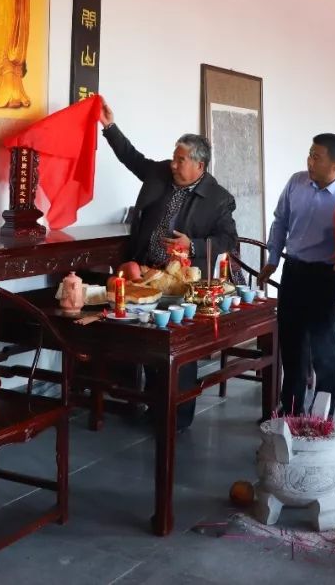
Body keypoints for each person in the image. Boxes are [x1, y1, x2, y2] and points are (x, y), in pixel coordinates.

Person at [97, 99, 239, 431]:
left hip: (180, 281)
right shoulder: (161, 172)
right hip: (145, 272)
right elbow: (132, 159)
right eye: (174, 158)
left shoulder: (218, 199)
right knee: (148, 343)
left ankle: (177, 417)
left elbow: (228, 239)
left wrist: (195, 244)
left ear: (199, 167)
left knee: (178, 348)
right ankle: (151, 405)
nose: (173, 165)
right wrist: (109, 127)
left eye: (180, 160)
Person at [257, 134, 335, 418]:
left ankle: (322, 419)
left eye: (317, 157)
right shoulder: (296, 182)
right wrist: (272, 259)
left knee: (324, 352)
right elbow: (280, 220)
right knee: (292, 347)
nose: (309, 161)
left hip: (324, 278)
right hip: (293, 273)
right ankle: (291, 413)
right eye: (309, 154)